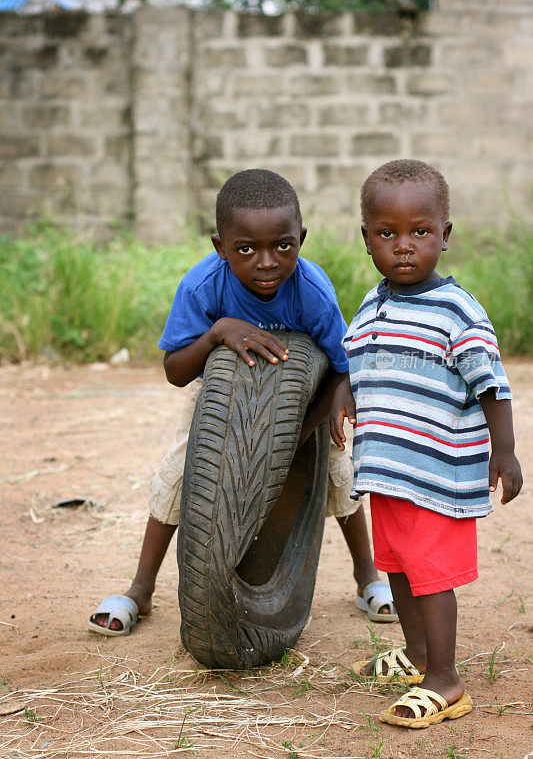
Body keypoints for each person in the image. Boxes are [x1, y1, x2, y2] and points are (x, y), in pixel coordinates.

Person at [88, 168, 396, 637]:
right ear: (220, 246)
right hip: (219, 403)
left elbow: (341, 365)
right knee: (180, 476)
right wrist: (216, 332)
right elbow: (175, 372)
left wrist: (303, 428)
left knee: (338, 479)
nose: (267, 262)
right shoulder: (202, 286)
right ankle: (141, 589)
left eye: (284, 246)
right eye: (246, 250)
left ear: (302, 240)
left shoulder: (310, 290)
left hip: (305, 400)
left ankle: (366, 578)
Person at [330, 159, 522, 728]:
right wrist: (344, 389)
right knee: (399, 569)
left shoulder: (456, 310)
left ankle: (446, 679)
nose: (404, 246)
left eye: (420, 232)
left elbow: (492, 382)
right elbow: (358, 356)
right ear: (367, 239)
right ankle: (417, 656)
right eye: (388, 234)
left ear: (445, 235)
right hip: (387, 473)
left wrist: (504, 451)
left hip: (436, 475)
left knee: (431, 578)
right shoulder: (373, 302)